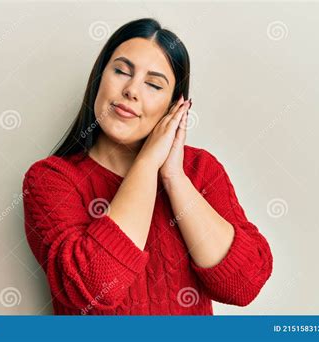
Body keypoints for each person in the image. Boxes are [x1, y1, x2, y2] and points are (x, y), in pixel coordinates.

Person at [22, 18, 273, 315]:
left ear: (175, 107)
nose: (131, 90)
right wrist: (147, 162)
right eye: (120, 71)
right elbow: (93, 286)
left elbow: (243, 286)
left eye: (153, 84)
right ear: (98, 79)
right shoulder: (50, 179)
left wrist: (174, 176)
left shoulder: (200, 170)